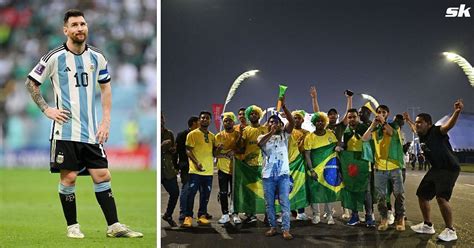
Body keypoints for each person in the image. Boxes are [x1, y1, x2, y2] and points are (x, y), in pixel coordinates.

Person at [25, 9, 142, 238]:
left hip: (90, 131)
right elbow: (31, 83)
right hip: (65, 130)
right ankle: (73, 227)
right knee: (68, 178)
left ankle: (114, 226)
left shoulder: (97, 57)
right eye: (75, 25)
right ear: (65, 30)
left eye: (83, 24)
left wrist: (106, 120)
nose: (80, 28)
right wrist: (46, 109)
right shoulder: (54, 57)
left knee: (103, 175)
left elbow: (106, 87)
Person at [405, 100, 463, 242]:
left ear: (428, 124)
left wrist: (456, 112)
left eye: (420, 122)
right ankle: (427, 225)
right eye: (417, 122)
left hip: (449, 167)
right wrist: (408, 120)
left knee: (441, 198)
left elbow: (448, 126)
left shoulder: (436, 131)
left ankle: (451, 230)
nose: (417, 124)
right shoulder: (421, 134)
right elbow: (413, 128)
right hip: (436, 168)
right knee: (422, 195)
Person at [361, 105, 405, 231]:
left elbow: (391, 132)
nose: (381, 114)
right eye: (379, 112)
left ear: (388, 114)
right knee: (381, 196)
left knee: (398, 194)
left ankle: (400, 217)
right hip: (379, 168)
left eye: (383, 112)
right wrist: (373, 125)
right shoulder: (375, 129)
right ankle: (384, 218)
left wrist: (384, 121)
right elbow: (364, 139)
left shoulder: (394, 125)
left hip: (395, 167)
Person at [257, 96, 295, 240]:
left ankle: (286, 229)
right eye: (271, 122)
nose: (274, 124)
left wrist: (284, 107)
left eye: (276, 122)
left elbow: (291, 122)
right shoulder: (262, 136)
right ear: (268, 124)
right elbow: (260, 144)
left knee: (285, 202)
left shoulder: (285, 135)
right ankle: (273, 227)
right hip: (268, 176)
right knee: (269, 204)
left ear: (280, 124)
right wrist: (272, 132)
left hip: (283, 175)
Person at [182, 111, 221, 227]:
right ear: (199, 120)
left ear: (210, 121)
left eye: (207, 118)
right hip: (195, 170)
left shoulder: (212, 136)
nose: (204, 120)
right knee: (191, 194)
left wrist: (219, 149)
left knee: (205, 195)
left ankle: (202, 215)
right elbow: (188, 150)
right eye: (202, 118)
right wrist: (196, 162)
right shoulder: (192, 134)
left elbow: (214, 154)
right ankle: (188, 217)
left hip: (208, 171)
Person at [343, 109, 375, 228]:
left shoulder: (364, 128)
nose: (352, 119)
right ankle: (354, 215)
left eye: (354, 117)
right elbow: (345, 147)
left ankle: (369, 216)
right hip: (351, 165)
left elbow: (369, 141)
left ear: (358, 117)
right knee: (352, 191)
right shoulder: (346, 132)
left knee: (366, 192)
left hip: (364, 164)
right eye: (349, 117)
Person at [303, 112, 337, 225]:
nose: (320, 123)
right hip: (315, 169)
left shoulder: (331, 135)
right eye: (317, 121)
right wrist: (311, 169)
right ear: (314, 123)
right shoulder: (309, 137)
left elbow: (335, 150)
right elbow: (307, 154)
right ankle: (316, 215)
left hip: (328, 169)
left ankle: (329, 214)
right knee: (315, 192)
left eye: (322, 121)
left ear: (325, 122)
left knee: (328, 191)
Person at [237, 104, 267, 223]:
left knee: (265, 191)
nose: (253, 115)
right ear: (249, 116)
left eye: (255, 113)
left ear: (259, 115)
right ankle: (251, 214)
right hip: (249, 166)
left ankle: (268, 215)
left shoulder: (265, 129)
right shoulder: (246, 130)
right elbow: (240, 147)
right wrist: (240, 134)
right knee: (249, 191)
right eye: (251, 114)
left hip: (263, 165)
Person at [215, 112, 241, 224]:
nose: (227, 122)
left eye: (229, 120)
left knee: (235, 193)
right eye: (225, 121)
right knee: (223, 192)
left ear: (233, 122)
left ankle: (235, 214)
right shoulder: (218, 136)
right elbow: (215, 154)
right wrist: (220, 150)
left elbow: (242, 149)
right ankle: (225, 214)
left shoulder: (238, 134)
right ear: (223, 122)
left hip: (235, 169)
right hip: (223, 169)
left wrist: (234, 151)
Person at [175, 116, 199, 221]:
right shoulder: (182, 135)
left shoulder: (199, 135)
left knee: (194, 190)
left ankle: (190, 212)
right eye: (198, 122)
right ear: (194, 123)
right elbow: (176, 151)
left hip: (197, 166)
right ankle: (183, 213)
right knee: (186, 188)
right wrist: (176, 165)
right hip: (186, 166)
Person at [288, 110, 310, 221]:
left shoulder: (307, 133)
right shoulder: (288, 131)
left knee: (300, 187)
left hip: (300, 164)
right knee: (288, 188)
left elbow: (305, 149)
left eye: (298, 118)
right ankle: (291, 211)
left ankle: (301, 212)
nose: (296, 120)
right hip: (288, 164)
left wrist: (301, 143)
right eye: (294, 118)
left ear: (302, 120)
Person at [161, 113, 179, 227]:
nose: (160, 120)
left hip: (167, 169)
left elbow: (172, 152)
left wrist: (173, 150)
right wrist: (161, 145)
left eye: (161, 117)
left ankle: (168, 214)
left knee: (175, 193)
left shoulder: (169, 133)